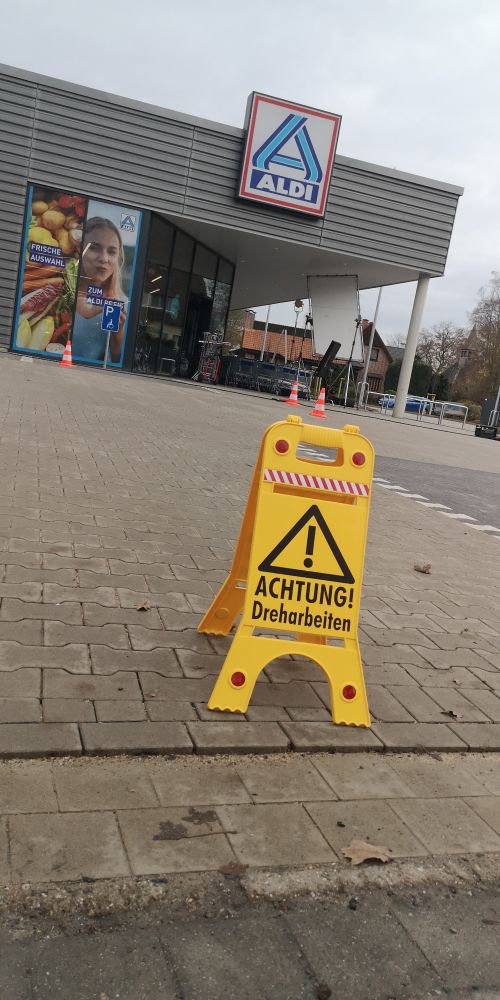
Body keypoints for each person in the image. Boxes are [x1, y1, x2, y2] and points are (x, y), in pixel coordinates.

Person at [72, 217, 127, 363]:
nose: (104, 258)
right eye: (94, 248)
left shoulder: (121, 303)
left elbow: (117, 362)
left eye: (112, 251)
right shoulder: (63, 289)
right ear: (79, 249)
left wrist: (118, 335)